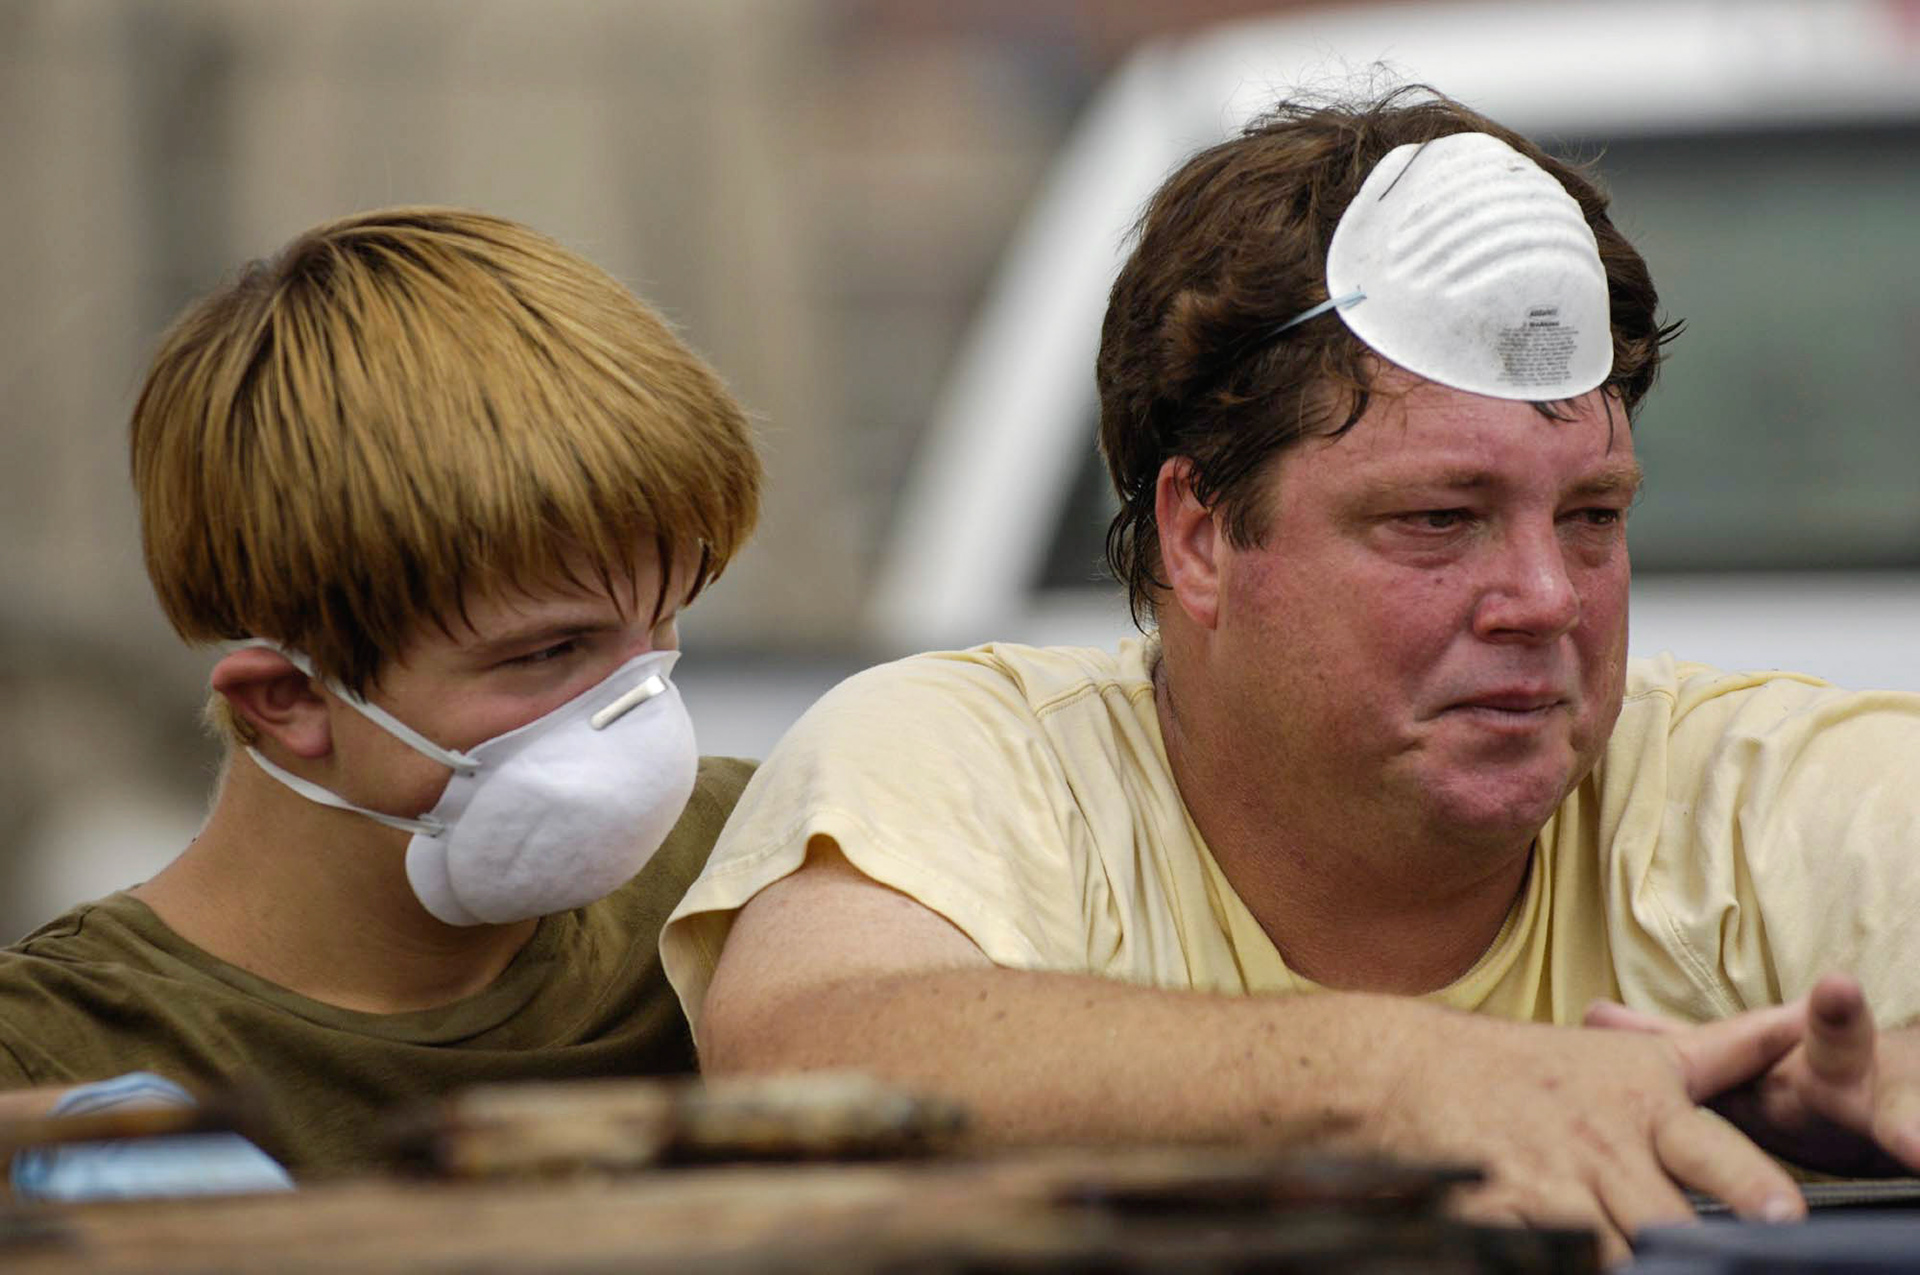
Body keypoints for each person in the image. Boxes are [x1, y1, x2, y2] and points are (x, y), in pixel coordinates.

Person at [660, 88, 1920, 1262]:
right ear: (1198, 536)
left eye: (1592, 515)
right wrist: (1404, 1081)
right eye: (1439, 517)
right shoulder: (976, 759)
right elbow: (809, 1053)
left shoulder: (1756, 790)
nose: (1547, 599)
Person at [0, 206, 762, 1185]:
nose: (638, 709)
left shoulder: (765, 880)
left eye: (661, 626)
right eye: (551, 653)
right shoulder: (55, 1068)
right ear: (289, 701)